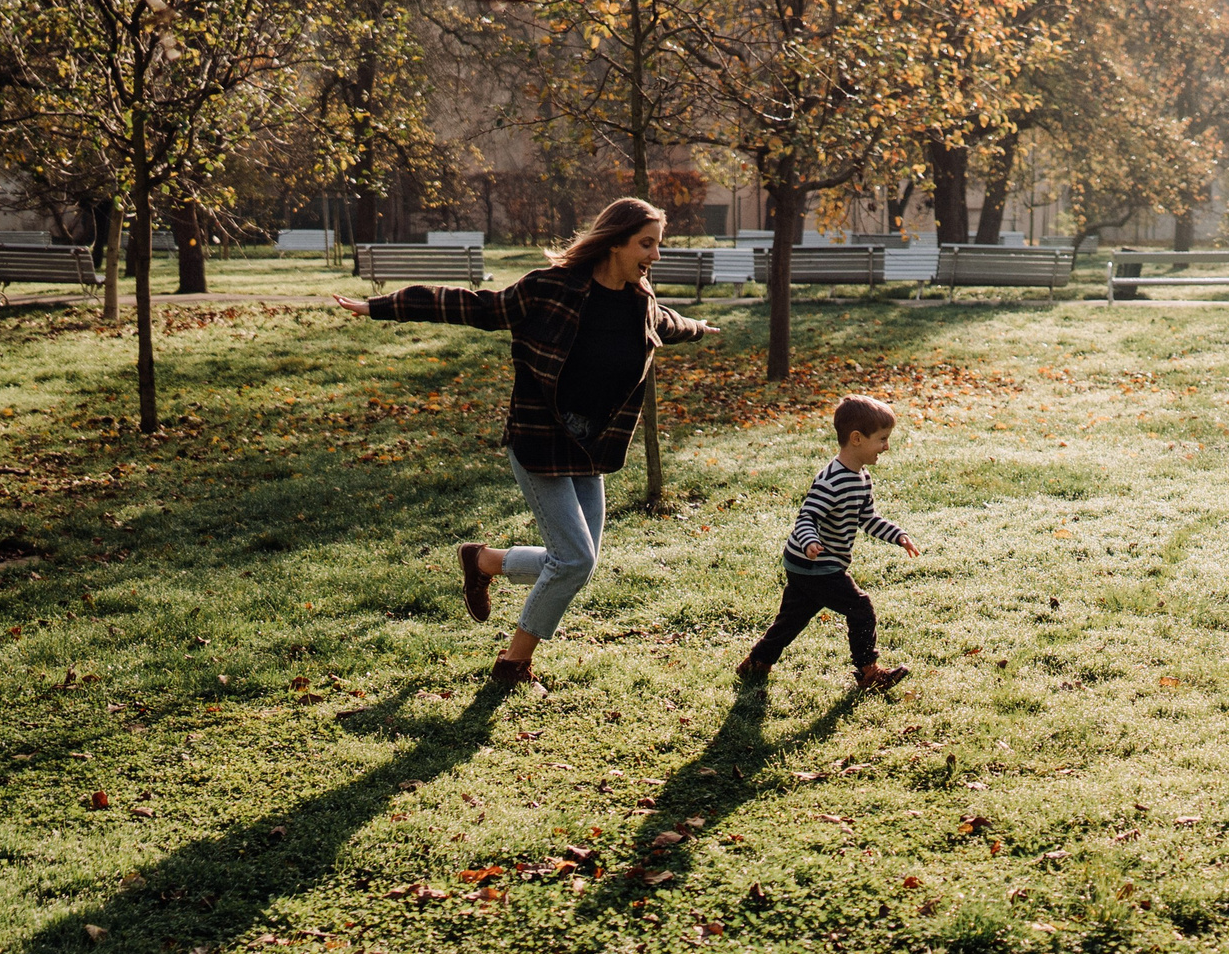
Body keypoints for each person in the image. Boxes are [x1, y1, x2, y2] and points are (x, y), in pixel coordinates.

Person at [335, 198, 716, 689]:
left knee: (577, 562)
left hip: (591, 447)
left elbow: (665, 323)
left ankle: (484, 561)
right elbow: (476, 306)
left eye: (657, 245)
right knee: (575, 560)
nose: (656, 256)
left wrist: (699, 329)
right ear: (614, 241)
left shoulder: (639, 300)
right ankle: (512, 666)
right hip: (541, 437)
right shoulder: (550, 289)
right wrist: (383, 307)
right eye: (647, 244)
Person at [736, 393, 917, 691]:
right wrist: (810, 542)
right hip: (815, 563)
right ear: (857, 438)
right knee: (860, 607)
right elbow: (807, 517)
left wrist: (898, 535)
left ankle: (756, 662)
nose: (887, 446)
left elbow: (868, 518)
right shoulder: (831, 481)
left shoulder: (861, 478)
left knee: (793, 618)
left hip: (810, 565)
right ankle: (868, 672)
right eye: (882, 439)